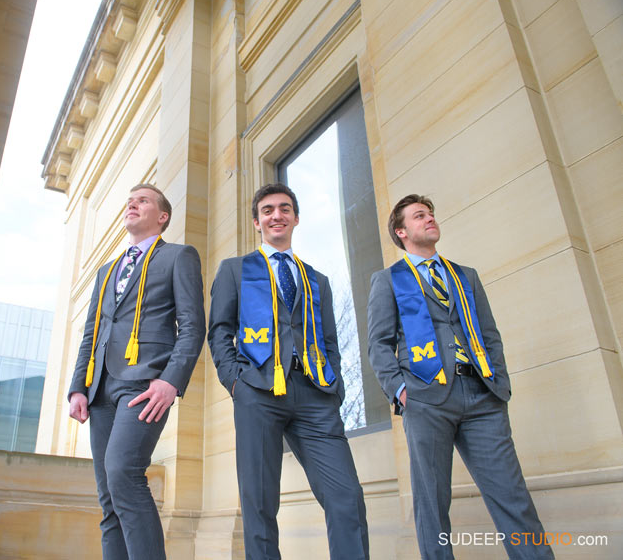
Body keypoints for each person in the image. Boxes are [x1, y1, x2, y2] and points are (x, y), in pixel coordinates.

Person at [366, 194, 553, 559]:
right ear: (401, 231)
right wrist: (403, 392)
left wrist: (499, 382)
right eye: (419, 216)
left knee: (513, 496)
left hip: (482, 396)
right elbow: (378, 344)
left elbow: (489, 334)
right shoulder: (387, 281)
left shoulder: (465, 275)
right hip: (426, 399)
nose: (430, 219)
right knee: (432, 506)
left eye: (431, 214)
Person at [207, 183, 369, 560]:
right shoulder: (235, 271)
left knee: (346, 497)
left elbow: (330, 341)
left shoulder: (317, 280)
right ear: (256, 222)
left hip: (315, 397)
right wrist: (236, 381)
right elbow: (219, 332)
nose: (275, 215)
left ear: (295, 218)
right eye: (267, 210)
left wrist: (335, 387)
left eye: (283, 209)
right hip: (257, 391)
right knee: (260, 502)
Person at [67, 184, 205, 560]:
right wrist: (78, 387)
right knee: (109, 496)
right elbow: (91, 332)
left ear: (162, 216)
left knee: (123, 473)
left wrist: (170, 381)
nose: (132, 203)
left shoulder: (179, 257)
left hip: (144, 384)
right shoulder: (107, 271)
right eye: (130, 199)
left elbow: (193, 326)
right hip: (100, 390)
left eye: (143, 200)